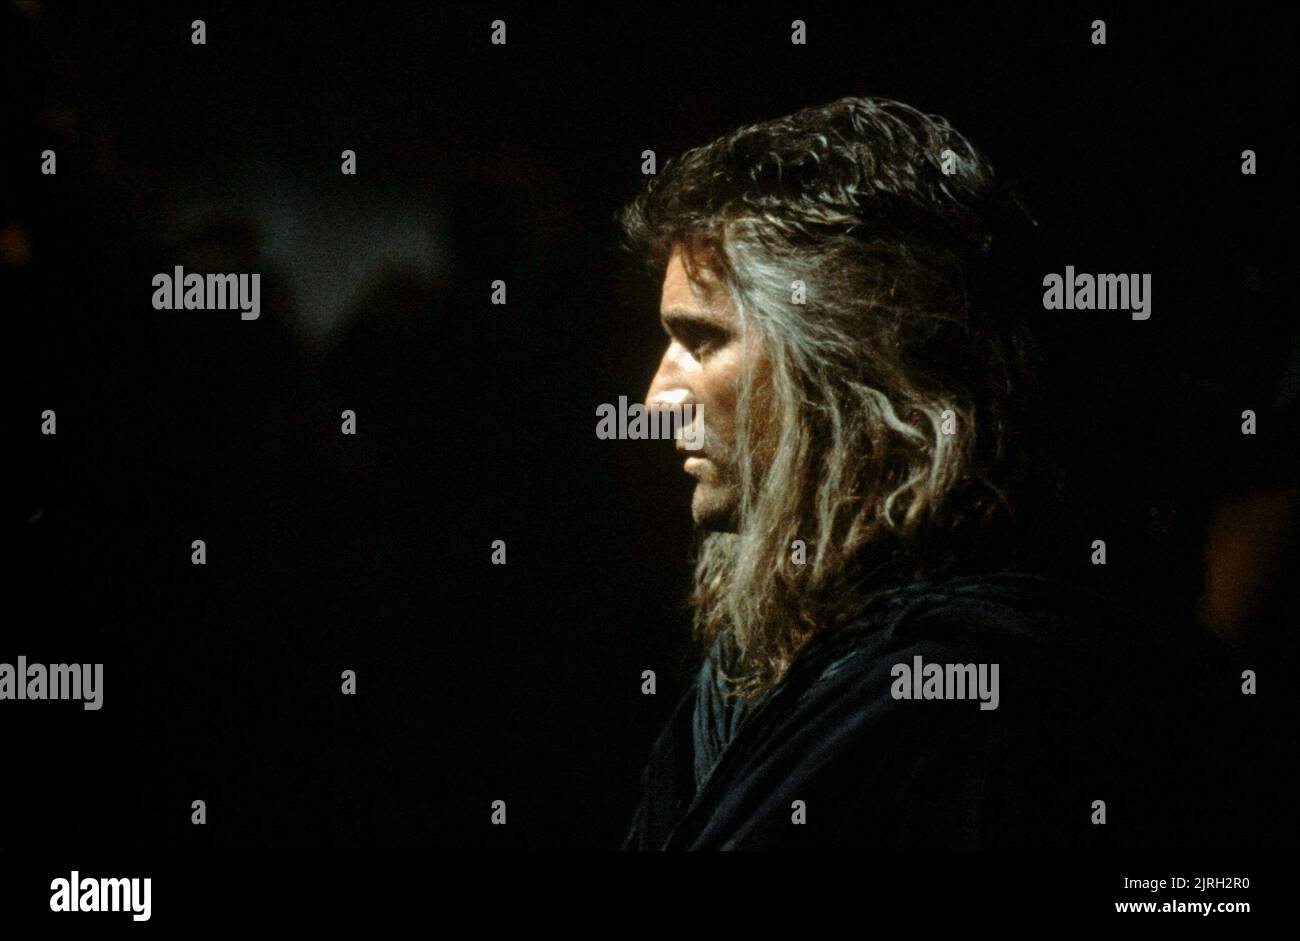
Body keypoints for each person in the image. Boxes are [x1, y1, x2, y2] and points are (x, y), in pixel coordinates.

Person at [618, 96, 1257, 850]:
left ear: (846, 362)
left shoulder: (999, 703)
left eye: (702, 338)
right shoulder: (757, 671)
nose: (657, 399)